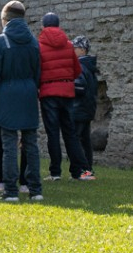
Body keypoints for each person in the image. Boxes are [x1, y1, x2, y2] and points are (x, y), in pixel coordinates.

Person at [0, 0, 42, 202]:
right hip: (28, 93)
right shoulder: (33, 41)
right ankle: (35, 190)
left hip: (6, 94)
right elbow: (37, 73)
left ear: (5, 19)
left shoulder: (1, 41)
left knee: (9, 144)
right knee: (31, 144)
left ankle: (11, 191)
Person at [36, 11, 88, 181]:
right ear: (58, 25)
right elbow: (77, 70)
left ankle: (55, 172)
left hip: (48, 93)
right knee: (70, 133)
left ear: (43, 26)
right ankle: (78, 172)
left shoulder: (39, 45)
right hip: (66, 92)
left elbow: (37, 71)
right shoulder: (67, 45)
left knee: (53, 133)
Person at [71, 35, 99, 181]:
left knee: (75, 141)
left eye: (74, 48)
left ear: (82, 49)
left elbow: (79, 87)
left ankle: (84, 171)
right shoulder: (89, 65)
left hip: (79, 109)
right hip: (86, 109)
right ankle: (87, 170)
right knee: (85, 141)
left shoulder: (81, 66)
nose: (72, 50)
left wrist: (66, 84)